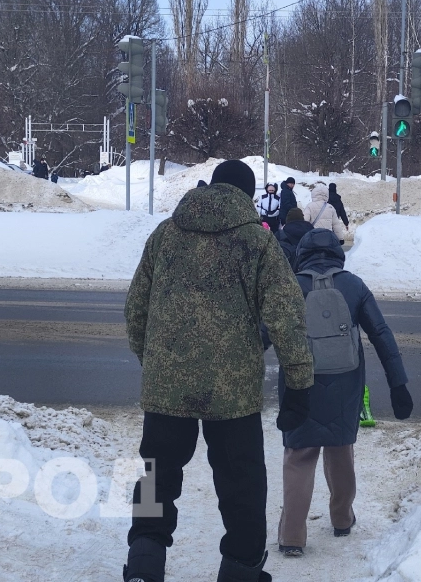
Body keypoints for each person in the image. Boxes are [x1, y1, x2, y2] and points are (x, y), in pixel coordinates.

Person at [123, 159, 315, 582]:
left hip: (166, 389)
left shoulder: (165, 235)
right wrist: (299, 384)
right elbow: (287, 317)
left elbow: (136, 308)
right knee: (242, 488)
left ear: (210, 187)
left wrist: (155, 363)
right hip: (233, 396)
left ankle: (143, 565)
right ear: (248, 197)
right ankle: (240, 572)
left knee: (157, 478)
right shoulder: (258, 244)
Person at [276, 227, 413, 557]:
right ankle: (341, 518)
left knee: (299, 456)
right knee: (340, 449)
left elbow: (266, 334)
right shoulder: (354, 286)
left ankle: (292, 536)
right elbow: (381, 334)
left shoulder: (291, 286)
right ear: (338, 254)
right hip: (346, 383)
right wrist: (398, 383)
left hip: (299, 383)